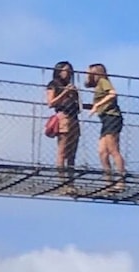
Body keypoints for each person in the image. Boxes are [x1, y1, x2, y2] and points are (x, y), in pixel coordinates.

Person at [85, 63, 126, 193]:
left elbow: (113, 94)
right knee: (102, 152)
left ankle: (120, 181)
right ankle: (108, 182)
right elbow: (98, 103)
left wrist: (97, 106)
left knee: (113, 150)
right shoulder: (98, 86)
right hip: (105, 119)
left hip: (112, 117)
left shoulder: (103, 81)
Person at [45, 61, 82, 195]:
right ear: (59, 71)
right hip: (63, 118)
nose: (69, 73)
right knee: (62, 152)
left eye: (70, 70)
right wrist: (65, 93)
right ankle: (62, 183)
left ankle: (71, 183)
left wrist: (75, 95)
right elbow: (50, 103)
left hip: (74, 119)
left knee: (72, 155)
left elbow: (79, 107)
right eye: (66, 70)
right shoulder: (53, 84)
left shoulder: (71, 86)